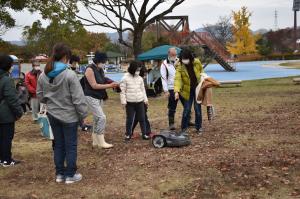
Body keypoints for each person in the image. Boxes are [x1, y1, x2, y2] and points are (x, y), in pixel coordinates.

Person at [37, 43, 88, 184]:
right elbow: (78, 99)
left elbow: (40, 96)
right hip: (70, 116)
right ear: (66, 57)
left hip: (52, 115)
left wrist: (51, 101)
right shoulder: (69, 74)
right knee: (70, 145)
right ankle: (70, 175)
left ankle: (60, 174)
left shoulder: (43, 75)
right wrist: (83, 115)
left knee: (58, 144)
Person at [83, 51, 118, 149]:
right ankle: (101, 141)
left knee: (97, 118)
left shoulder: (100, 69)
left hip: (99, 96)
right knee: (102, 117)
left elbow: (103, 79)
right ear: (98, 60)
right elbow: (94, 85)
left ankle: (95, 140)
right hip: (91, 96)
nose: (105, 63)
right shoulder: (89, 69)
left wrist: (112, 82)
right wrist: (110, 85)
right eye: (104, 61)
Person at [0, 54, 23, 167]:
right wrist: (19, 112)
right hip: (5, 114)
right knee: (6, 138)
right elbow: (12, 99)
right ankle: (6, 160)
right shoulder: (7, 80)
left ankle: (2, 158)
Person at [174, 48, 204, 134]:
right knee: (187, 109)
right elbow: (177, 79)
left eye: (186, 58)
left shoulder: (197, 62)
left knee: (197, 109)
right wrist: (176, 91)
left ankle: (199, 127)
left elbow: (202, 72)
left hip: (197, 89)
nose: (184, 60)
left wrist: (203, 79)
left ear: (190, 58)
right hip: (187, 90)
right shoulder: (180, 66)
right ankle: (184, 128)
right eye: (183, 59)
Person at [120, 61, 150, 141]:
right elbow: (122, 91)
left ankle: (144, 134)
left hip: (140, 101)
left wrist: (145, 100)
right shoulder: (125, 78)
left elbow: (143, 90)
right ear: (133, 69)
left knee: (142, 118)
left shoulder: (140, 78)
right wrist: (123, 102)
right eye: (137, 70)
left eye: (139, 70)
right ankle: (128, 134)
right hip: (130, 103)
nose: (138, 72)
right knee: (130, 119)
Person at [69, 55, 92, 132]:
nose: (77, 65)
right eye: (75, 63)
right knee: (76, 109)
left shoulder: (75, 71)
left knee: (78, 109)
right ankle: (80, 125)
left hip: (78, 93)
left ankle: (81, 124)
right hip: (72, 95)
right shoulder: (68, 71)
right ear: (71, 62)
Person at [131, 65, 152, 137]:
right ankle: (147, 132)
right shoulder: (137, 80)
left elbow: (144, 91)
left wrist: (146, 100)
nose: (145, 76)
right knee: (142, 117)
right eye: (144, 75)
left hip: (143, 101)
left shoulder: (143, 80)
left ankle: (130, 131)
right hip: (138, 101)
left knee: (138, 117)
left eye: (146, 75)